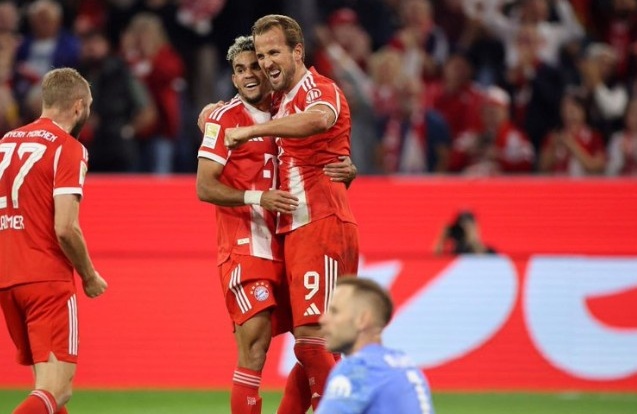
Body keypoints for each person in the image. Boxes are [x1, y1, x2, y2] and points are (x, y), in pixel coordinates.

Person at [196, 35, 355, 414]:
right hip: (245, 247)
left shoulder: (285, 110)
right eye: (240, 70)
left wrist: (349, 167)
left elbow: (320, 153)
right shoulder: (222, 118)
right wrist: (258, 198)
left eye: (256, 65)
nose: (250, 74)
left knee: (313, 339)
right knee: (255, 346)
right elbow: (204, 186)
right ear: (233, 79)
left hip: (289, 242)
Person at [0, 68, 108, 414]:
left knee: (45, 389)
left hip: (8, 279)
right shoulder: (68, 148)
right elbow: (65, 227)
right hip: (46, 279)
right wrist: (88, 275)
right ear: (78, 106)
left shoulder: (5, 143)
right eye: (88, 106)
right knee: (57, 390)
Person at [316, 277, 435, 414]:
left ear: (362, 320)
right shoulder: (405, 364)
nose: (322, 319)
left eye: (334, 311)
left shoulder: (358, 367)